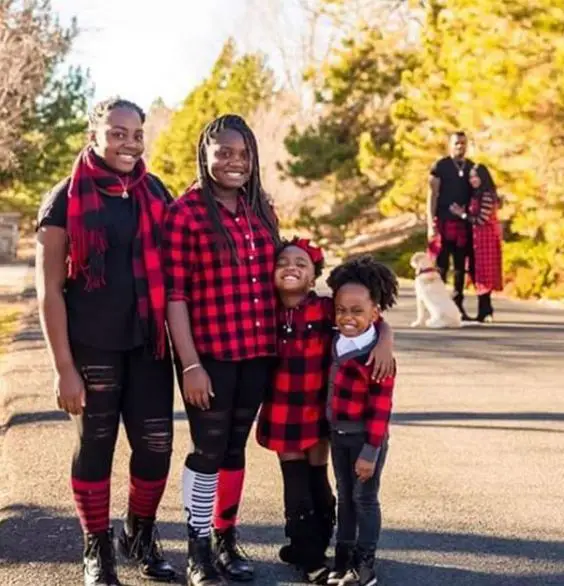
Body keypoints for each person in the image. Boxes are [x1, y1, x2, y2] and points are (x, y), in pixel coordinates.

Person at [35, 97, 176, 586]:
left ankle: (139, 532)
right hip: (90, 345)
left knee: (156, 449)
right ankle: (96, 547)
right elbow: (49, 288)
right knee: (95, 447)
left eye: (137, 134)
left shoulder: (156, 192)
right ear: (94, 134)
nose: (129, 143)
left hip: (148, 344)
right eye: (117, 133)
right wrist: (63, 367)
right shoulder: (64, 198)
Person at [162, 114, 280, 586]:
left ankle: (227, 538)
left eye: (243, 154)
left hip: (257, 351)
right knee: (207, 449)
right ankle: (198, 550)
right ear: (206, 154)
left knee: (235, 448)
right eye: (224, 153)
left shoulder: (261, 211)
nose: (234, 162)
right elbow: (174, 296)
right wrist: (190, 364)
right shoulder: (186, 212)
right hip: (209, 356)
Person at [256, 238, 395, 584]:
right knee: (295, 483)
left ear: (314, 275)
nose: (291, 268)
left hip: (320, 411)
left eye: (301, 263)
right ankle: (308, 552)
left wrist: (386, 339)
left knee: (321, 482)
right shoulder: (263, 309)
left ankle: (323, 545)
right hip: (282, 412)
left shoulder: (324, 309)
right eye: (283, 262)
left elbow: (369, 318)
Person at [325, 256, 397, 586]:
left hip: (366, 440)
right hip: (338, 437)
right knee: (344, 495)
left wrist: (371, 450)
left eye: (357, 311)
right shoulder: (334, 341)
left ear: (374, 314)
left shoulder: (376, 356)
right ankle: (344, 558)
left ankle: (365, 564)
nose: (348, 317)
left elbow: (382, 409)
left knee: (364, 499)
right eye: (341, 310)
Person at [428, 131, 475, 319]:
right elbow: (432, 195)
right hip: (444, 221)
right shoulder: (441, 166)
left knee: (460, 266)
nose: (460, 146)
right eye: (456, 143)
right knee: (441, 265)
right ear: (450, 145)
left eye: (463, 143)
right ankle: (439, 306)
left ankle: (458, 305)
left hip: (463, 224)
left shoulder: (472, 167)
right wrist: (431, 222)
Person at [450, 163, 503, 322]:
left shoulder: (487, 195)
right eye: (471, 177)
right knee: (476, 272)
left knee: (484, 273)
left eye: (476, 176)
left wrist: (462, 215)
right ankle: (484, 309)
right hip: (477, 240)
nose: (473, 180)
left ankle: (485, 310)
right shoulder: (476, 195)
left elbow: (481, 219)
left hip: (486, 238)